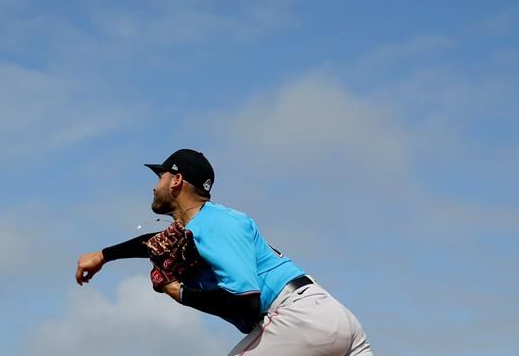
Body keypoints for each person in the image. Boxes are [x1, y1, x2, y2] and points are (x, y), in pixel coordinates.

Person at [75, 149, 373, 356]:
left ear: (176, 180)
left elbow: (246, 304)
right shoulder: (208, 224)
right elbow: (154, 242)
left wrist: (179, 292)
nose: (155, 187)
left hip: (299, 318)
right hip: (331, 319)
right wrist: (103, 255)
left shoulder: (215, 224)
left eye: (160, 177)